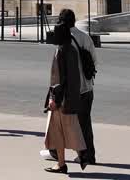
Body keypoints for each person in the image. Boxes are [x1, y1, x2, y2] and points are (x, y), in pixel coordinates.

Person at [43, 21, 87, 174]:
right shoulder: (72, 50)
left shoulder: (60, 51)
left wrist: (53, 99)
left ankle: (75, 156)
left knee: (57, 131)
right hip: (71, 96)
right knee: (69, 128)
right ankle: (74, 157)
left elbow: (57, 78)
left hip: (60, 99)